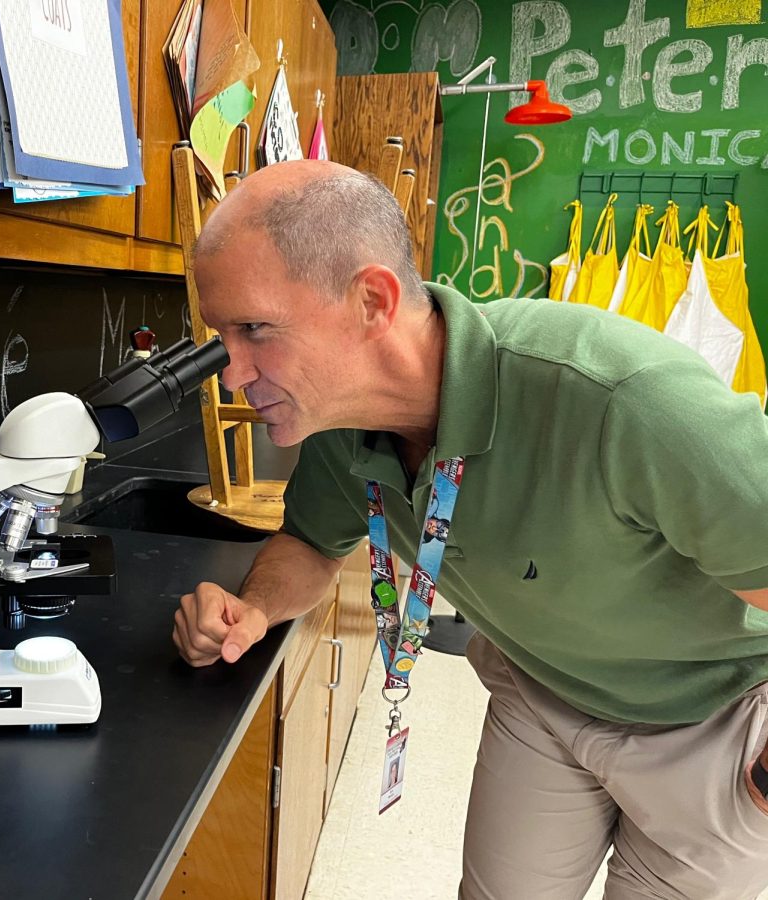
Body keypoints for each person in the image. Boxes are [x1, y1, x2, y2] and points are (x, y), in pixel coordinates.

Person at [170, 159, 768, 899]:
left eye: (254, 329)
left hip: (712, 720)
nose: (231, 372)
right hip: (545, 693)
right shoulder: (339, 426)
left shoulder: (620, 399)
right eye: (223, 334)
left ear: (371, 300)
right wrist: (253, 608)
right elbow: (310, 544)